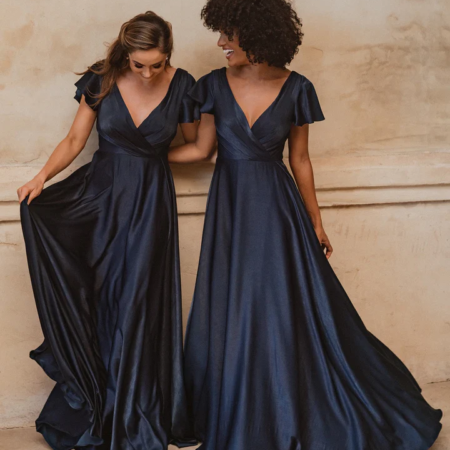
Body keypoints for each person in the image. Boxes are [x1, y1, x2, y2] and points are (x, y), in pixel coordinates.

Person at [168, 0, 443, 448]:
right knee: (235, 305)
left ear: (256, 35)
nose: (220, 42)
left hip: (278, 211)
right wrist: (137, 158)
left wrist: (316, 221)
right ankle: (241, 404)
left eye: (228, 34)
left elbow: (300, 160)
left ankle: (286, 405)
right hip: (231, 210)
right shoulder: (212, 86)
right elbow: (201, 150)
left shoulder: (298, 89)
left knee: (280, 305)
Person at [18, 11, 198, 450]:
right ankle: (97, 405)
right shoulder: (102, 79)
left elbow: (197, 145)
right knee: (101, 301)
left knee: (138, 305)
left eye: (157, 63)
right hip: (100, 203)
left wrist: (148, 160)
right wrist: (42, 176)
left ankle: (135, 413)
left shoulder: (184, 85)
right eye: (140, 64)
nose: (149, 72)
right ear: (126, 52)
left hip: (149, 206)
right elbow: (75, 140)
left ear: (167, 54)